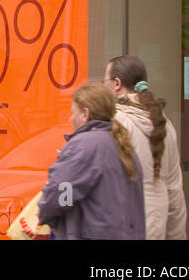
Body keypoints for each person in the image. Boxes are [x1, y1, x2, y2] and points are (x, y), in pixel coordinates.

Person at [37, 83, 145, 240]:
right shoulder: (125, 147)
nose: (70, 118)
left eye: (73, 111)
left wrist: (46, 214)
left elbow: (62, 193)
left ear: (85, 114)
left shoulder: (83, 146)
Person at [105, 54, 188, 240]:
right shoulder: (164, 124)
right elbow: (175, 192)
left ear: (116, 84)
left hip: (122, 224)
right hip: (156, 224)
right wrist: (177, 236)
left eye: (105, 81)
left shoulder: (115, 123)